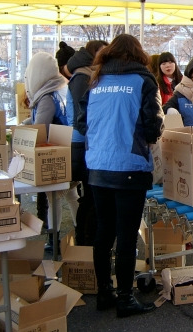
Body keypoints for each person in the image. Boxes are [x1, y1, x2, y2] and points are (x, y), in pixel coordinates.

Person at [76, 33, 164, 317]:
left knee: (104, 231)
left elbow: (82, 122)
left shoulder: (96, 81)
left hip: (98, 165)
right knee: (126, 235)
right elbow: (154, 125)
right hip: (129, 165)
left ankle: (105, 292)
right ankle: (125, 298)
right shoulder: (143, 81)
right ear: (139, 54)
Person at [23, 52, 79, 253]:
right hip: (70, 149)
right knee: (71, 195)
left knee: (53, 197)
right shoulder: (61, 87)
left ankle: (54, 238)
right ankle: (80, 230)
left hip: (54, 154)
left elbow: (42, 127)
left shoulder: (46, 95)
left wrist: (24, 131)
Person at [65, 40, 108, 246]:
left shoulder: (86, 73)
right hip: (82, 144)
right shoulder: (83, 76)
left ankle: (85, 238)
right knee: (89, 196)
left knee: (89, 196)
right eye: (102, 51)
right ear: (93, 54)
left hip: (84, 142)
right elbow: (82, 115)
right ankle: (84, 240)